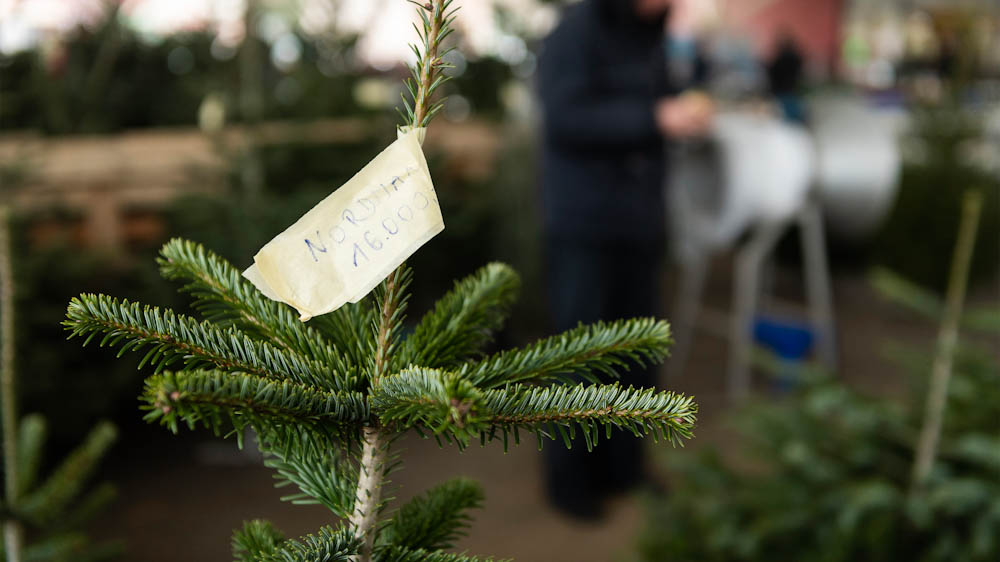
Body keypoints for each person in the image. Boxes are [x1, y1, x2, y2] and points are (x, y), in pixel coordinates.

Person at [536, 0, 711, 520]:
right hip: (584, 225)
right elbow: (564, 117)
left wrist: (683, 108)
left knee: (639, 355)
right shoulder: (575, 32)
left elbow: (656, 104)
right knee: (579, 358)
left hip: (640, 222)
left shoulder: (651, 35)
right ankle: (570, 484)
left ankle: (626, 468)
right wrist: (654, 117)